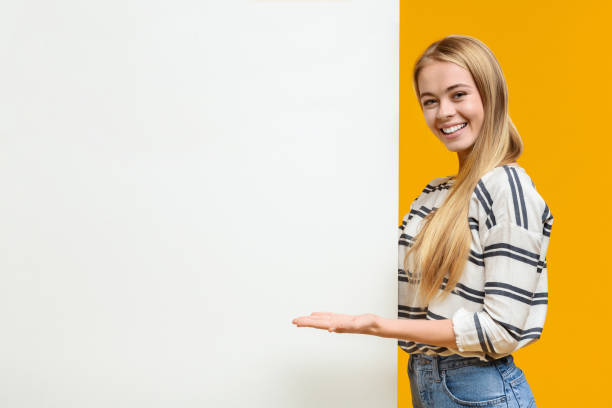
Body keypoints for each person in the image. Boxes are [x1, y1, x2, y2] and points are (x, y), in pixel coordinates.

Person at [292, 34, 552, 408]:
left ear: (490, 95)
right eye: (430, 101)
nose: (443, 112)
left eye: (458, 94)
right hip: (428, 380)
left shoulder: (507, 187)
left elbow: (503, 329)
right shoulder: (436, 193)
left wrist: (376, 326)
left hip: (480, 389)